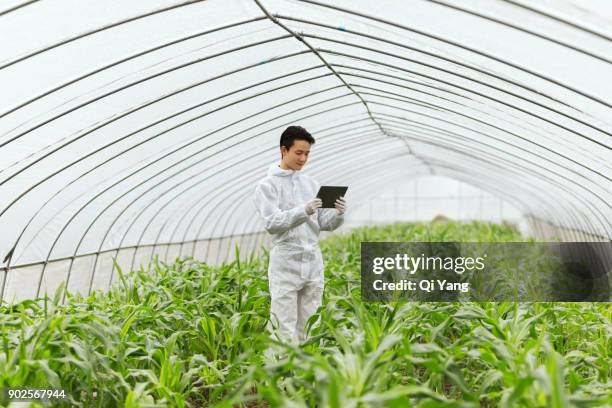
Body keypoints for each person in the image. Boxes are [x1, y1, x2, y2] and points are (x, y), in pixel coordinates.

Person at [253, 126, 346, 344]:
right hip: (286, 263)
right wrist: (304, 210)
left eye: (307, 154)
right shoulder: (267, 186)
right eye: (298, 153)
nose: (303, 158)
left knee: (311, 322)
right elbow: (272, 223)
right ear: (283, 150)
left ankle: (309, 373)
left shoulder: (311, 184)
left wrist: (339, 214)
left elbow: (324, 223)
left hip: (312, 261)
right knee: (283, 325)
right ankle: (281, 375)